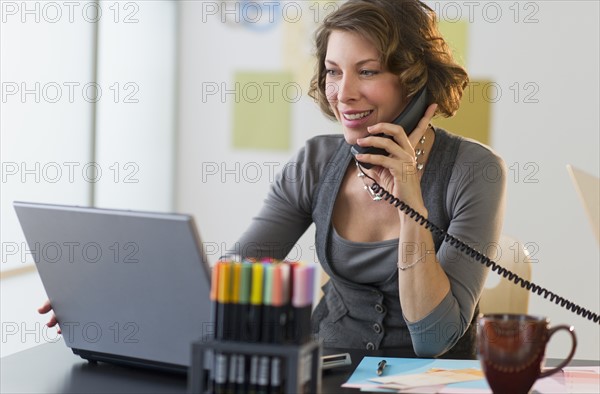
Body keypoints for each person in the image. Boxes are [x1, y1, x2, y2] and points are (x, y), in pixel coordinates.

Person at [41, 0, 506, 359]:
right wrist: (107, 301)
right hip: (329, 370)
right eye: (332, 72)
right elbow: (235, 276)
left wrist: (411, 208)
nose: (343, 94)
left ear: (415, 80)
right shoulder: (316, 163)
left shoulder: (473, 171)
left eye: (367, 72)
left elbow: (434, 336)